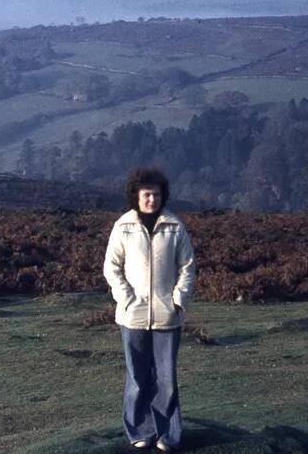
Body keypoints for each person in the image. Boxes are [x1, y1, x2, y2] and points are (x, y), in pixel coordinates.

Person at [103, 167, 196, 452]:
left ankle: (168, 434)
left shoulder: (175, 227)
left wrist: (178, 299)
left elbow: (187, 268)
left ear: (162, 195)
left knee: (167, 379)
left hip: (167, 317)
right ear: (136, 196)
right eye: (146, 194)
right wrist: (126, 298)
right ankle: (139, 430)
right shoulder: (123, 227)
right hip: (133, 316)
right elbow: (112, 267)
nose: (151, 199)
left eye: (156, 194)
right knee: (138, 377)